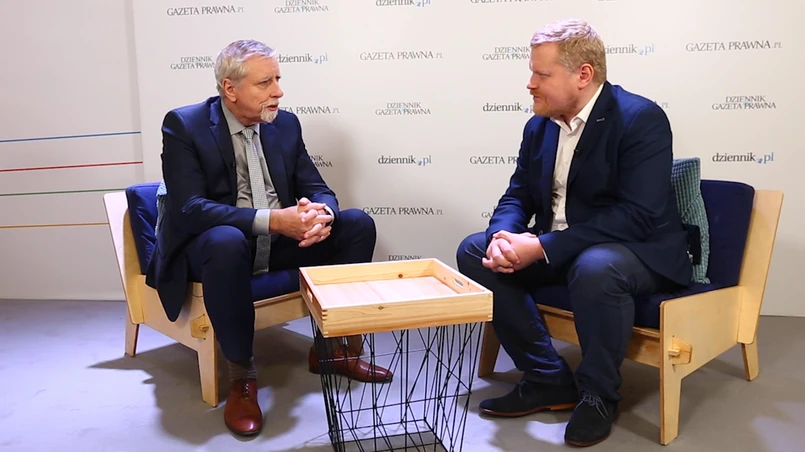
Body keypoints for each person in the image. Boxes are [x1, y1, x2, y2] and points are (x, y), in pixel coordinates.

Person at [456, 19, 693, 447]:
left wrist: (543, 246)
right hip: (565, 249)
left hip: (636, 251)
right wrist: (502, 237)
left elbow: (636, 216)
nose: (530, 84)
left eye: (541, 74)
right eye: (532, 72)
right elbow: (517, 195)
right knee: (474, 250)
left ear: (583, 74)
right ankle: (547, 378)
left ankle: (599, 396)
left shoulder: (640, 119)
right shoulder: (540, 125)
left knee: (596, 266)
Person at [145, 39, 393, 437]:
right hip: (213, 250)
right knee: (226, 240)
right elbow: (190, 209)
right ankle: (242, 378)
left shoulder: (285, 124)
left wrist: (320, 215)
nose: (278, 91)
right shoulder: (184, 125)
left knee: (357, 224)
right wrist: (276, 221)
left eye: (278, 79)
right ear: (230, 88)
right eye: (266, 82)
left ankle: (332, 350)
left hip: (275, 244)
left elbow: (317, 186)